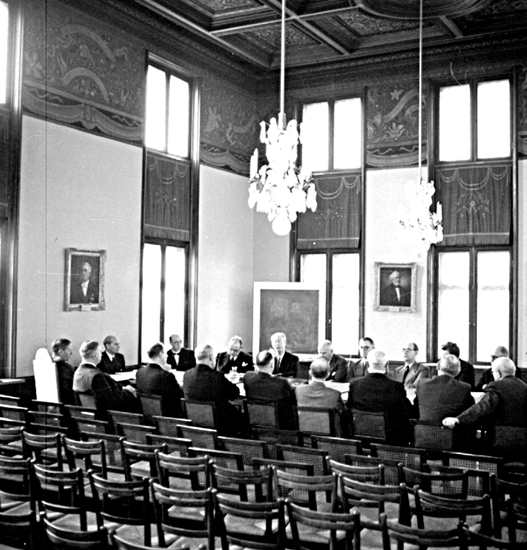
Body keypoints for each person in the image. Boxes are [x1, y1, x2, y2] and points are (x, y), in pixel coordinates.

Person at [347, 350, 413, 446]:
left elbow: (349, 409)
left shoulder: (355, 385)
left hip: (361, 440)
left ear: (368, 364)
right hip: (390, 443)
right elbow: (408, 412)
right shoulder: (396, 387)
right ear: (387, 365)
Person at [443, 357, 527, 430]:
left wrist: (458, 419)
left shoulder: (496, 386)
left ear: (498, 374)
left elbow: (482, 407)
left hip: (500, 435)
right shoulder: (524, 386)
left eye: (493, 372)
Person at [182, 344, 242, 435]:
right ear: (211, 358)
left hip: (195, 422)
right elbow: (234, 393)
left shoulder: (187, 375)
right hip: (220, 425)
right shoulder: (217, 377)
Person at [72, 340, 139, 415]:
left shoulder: (78, 372)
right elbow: (112, 402)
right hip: (107, 416)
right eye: (100, 352)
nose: (101, 355)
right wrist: (128, 391)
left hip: (89, 416)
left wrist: (122, 388)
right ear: (94, 356)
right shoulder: (97, 376)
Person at [243, 350, 297, 430]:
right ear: (272, 364)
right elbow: (291, 402)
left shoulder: (247, 377)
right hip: (279, 425)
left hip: (254, 422)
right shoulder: (282, 382)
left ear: (256, 364)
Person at [414, 354, 474, 422]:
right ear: (458, 370)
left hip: (424, 428)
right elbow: (469, 413)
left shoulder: (422, 384)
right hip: (451, 428)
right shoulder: (464, 388)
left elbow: (416, 409)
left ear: (438, 366)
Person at [296, 357, 347, 436]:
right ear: (328, 374)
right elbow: (343, 416)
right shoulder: (335, 394)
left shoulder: (298, 390)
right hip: (327, 438)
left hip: (303, 435)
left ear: (310, 373)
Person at [135, 343, 184, 417]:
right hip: (167, 415)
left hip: (146, 415)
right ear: (161, 354)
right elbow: (179, 395)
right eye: (166, 353)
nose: (167, 356)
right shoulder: (167, 376)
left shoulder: (139, 372)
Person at [50, 338, 76, 405]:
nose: (71, 353)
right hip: (67, 405)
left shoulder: (48, 367)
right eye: (69, 350)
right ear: (61, 352)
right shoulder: (66, 369)